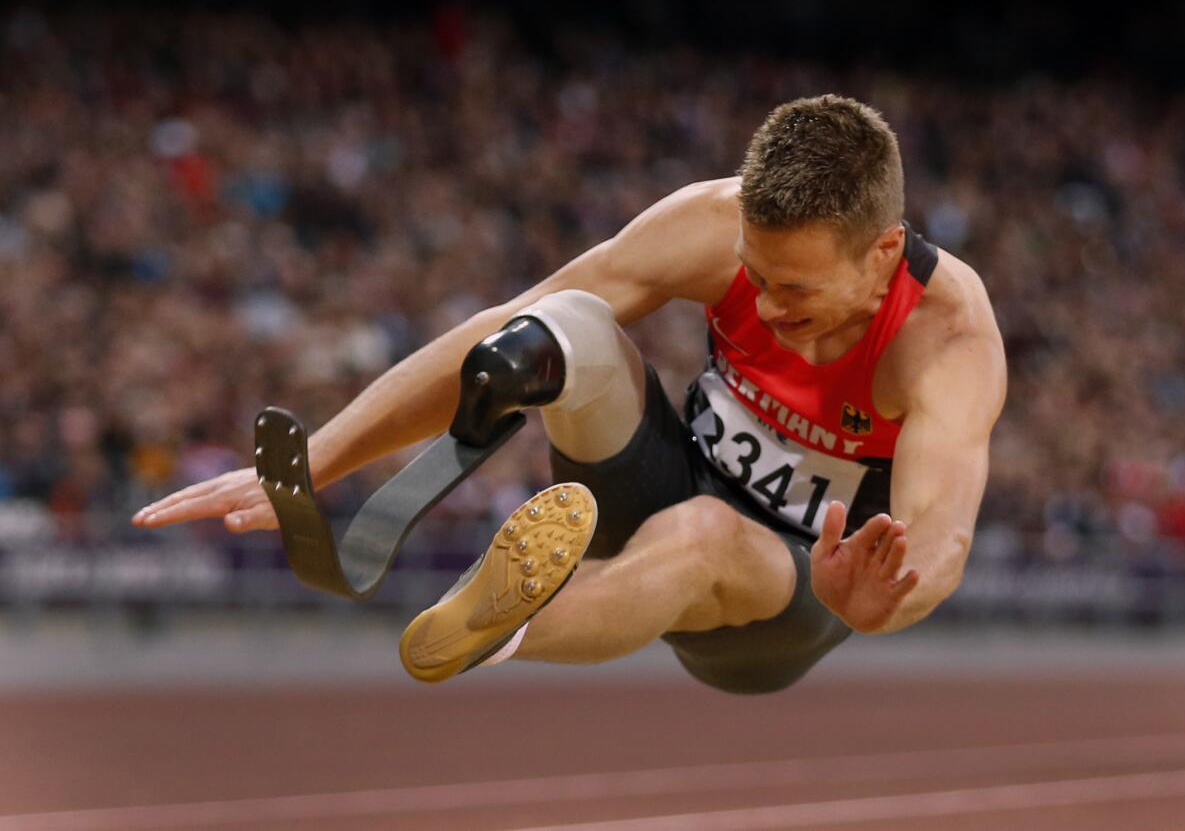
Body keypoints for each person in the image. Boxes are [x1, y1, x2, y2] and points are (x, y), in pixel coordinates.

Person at [133, 94, 1007, 694]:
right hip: (666, 476)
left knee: (700, 535)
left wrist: (891, 597)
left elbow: (942, 529)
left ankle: (489, 628)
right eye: (756, 276)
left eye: (800, 293)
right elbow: (510, 312)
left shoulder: (947, 338)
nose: (769, 308)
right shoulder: (712, 221)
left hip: (792, 591)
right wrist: (323, 455)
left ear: (884, 255)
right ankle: (509, 564)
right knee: (565, 322)